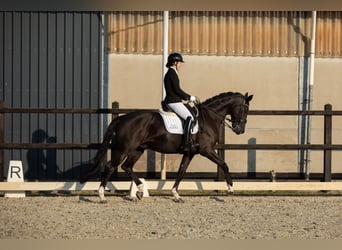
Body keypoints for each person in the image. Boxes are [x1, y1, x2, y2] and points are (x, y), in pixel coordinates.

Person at [163, 52, 198, 152]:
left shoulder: (171, 73)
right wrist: (189, 97)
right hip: (174, 102)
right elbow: (177, 90)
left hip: (173, 101)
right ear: (175, 62)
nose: (181, 65)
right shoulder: (171, 73)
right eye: (180, 63)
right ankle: (186, 143)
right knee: (190, 118)